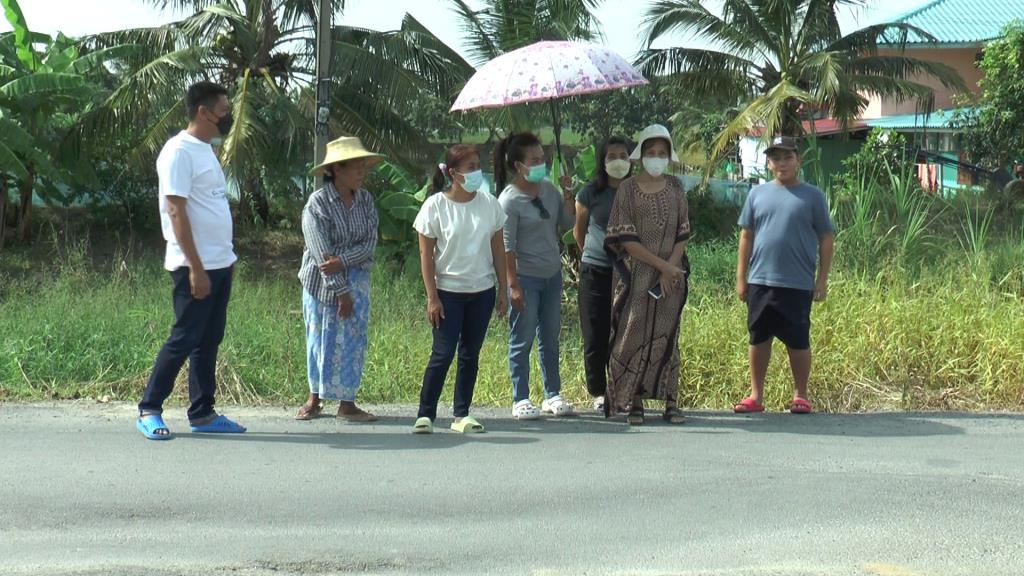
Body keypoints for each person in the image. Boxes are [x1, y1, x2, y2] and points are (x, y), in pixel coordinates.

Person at [136, 81, 245, 439]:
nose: (228, 117)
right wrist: (196, 268)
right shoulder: (178, 151)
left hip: (219, 263)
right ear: (203, 112)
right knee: (184, 338)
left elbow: (209, 204)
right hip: (192, 266)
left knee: (209, 339)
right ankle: (149, 408)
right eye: (224, 111)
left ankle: (203, 413)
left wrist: (224, 260)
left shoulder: (205, 149)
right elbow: (176, 211)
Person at [733, 136, 835, 415]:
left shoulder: (813, 195)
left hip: (798, 282)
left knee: (798, 340)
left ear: (798, 160)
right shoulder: (757, 194)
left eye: (788, 157)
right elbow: (746, 236)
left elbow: (826, 237)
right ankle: (756, 395)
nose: (782, 163)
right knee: (758, 338)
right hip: (761, 281)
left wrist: (822, 279)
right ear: (769, 163)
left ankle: (801, 395)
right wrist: (741, 277)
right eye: (776, 158)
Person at [411, 145, 509, 434]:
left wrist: (503, 289)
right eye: (470, 166)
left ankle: (461, 414)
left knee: (470, 353)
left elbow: (498, 250)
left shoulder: (490, 204)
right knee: (442, 353)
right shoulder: (435, 206)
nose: (477, 171)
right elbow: (425, 256)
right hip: (448, 293)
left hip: (482, 291)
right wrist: (432, 297)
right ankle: (425, 413)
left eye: (479, 165)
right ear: (453, 173)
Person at [604, 124, 690, 425]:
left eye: (661, 153)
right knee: (632, 333)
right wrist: (662, 266)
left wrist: (672, 268)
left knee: (668, 336)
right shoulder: (627, 189)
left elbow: (683, 231)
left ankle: (671, 401)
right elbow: (625, 238)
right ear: (640, 157)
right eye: (651, 153)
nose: (656, 158)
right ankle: (634, 401)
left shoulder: (677, 187)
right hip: (637, 275)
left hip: (672, 277)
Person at [294, 137, 383, 422]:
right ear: (337, 169)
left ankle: (347, 403)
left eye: (363, 166)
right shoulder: (317, 204)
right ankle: (315, 398)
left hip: (358, 282)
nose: (361, 171)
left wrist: (343, 261)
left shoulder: (366, 201)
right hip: (321, 286)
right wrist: (340, 291)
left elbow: (369, 244)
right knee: (320, 339)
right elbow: (322, 255)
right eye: (356, 166)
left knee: (353, 343)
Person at [496, 133, 576, 420]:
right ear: (519, 166)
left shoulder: (549, 190)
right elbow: (507, 247)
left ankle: (552, 393)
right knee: (523, 337)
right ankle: (521, 397)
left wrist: (568, 196)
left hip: (552, 275)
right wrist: (512, 285)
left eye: (543, 159)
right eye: (535, 161)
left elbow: (568, 223)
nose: (541, 164)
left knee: (550, 336)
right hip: (525, 278)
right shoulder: (509, 200)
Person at [574, 136, 632, 412]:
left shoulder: (636, 190)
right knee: (594, 334)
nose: (618, 161)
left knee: (624, 333)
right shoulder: (589, 193)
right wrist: (595, 254)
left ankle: (622, 387)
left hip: (629, 272)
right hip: (595, 270)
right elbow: (579, 231)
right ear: (602, 161)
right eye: (612, 156)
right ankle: (598, 391)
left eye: (623, 155)